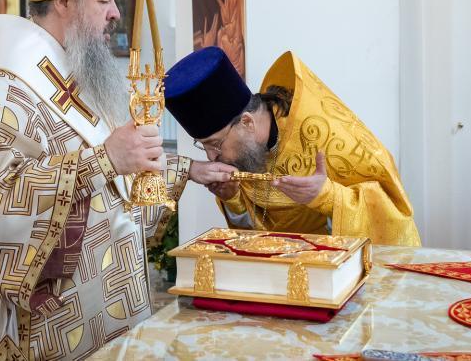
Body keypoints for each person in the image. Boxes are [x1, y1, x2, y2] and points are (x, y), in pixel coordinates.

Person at [0, 0, 234, 360]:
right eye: (104, 1)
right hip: (39, 332)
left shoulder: (72, 72)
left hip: (102, 316)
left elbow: (110, 182)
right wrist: (105, 159)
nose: (115, 13)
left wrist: (186, 171)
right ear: (64, 2)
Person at [165, 46, 421, 246]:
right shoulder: (247, 153)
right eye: (203, 146)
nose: (212, 157)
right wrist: (233, 199)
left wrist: (328, 197)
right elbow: (259, 240)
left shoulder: (324, 131)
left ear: (247, 122)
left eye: (215, 144)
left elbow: (392, 209)